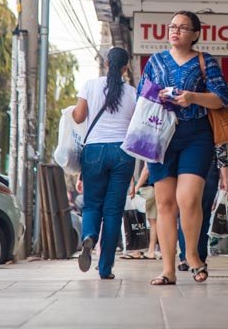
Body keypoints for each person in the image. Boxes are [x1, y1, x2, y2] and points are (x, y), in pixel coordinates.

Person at [139, 10, 228, 286]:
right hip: (160, 134)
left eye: (182, 27)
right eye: (172, 26)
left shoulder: (205, 61)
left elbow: (221, 98)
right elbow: (141, 94)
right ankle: (167, 269)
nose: (175, 31)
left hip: (196, 134)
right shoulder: (155, 61)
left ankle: (192, 255)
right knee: (165, 203)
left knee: (189, 199)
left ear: (195, 33)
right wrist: (161, 95)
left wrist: (192, 97)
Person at [73, 47, 137, 280]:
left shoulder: (90, 85)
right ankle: (105, 268)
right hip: (122, 152)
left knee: (92, 205)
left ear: (107, 63)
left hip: (94, 151)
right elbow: (135, 127)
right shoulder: (132, 93)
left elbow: (79, 117)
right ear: (125, 67)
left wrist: (72, 113)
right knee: (112, 212)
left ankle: (89, 235)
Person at [176, 145, 228, 271]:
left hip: (204, 166)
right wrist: (224, 178)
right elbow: (221, 149)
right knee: (194, 213)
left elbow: (220, 148)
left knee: (192, 213)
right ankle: (193, 256)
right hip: (203, 164)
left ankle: (192, 256)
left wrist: (224, 178)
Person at [121, 161, 160, 260]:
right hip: (154, 187)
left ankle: (136, 251)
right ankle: (151, 251)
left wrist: (136, 187)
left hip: (144, 188)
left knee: (135, 217)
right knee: (153, 221)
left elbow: (146, 168)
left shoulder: (138, 149)